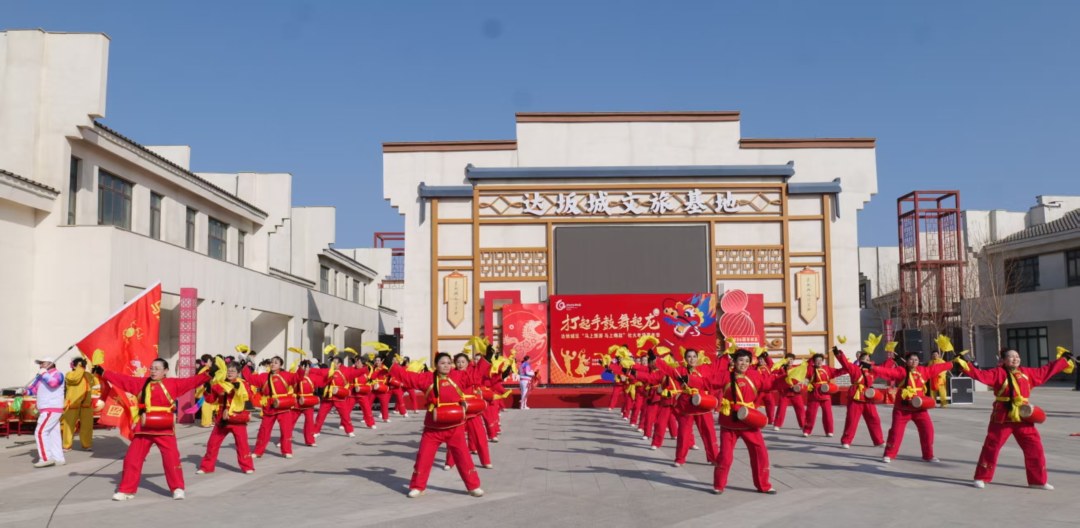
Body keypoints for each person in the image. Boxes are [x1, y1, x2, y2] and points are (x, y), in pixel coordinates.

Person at [958, 348, 1073, 489]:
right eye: (1011, 357)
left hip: (1023, 416)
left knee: (1034, 447)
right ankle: (981, 477)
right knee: (992, 447)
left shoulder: (1027, 373)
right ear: (1003, 360)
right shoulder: (997, 373)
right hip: (1002, 417)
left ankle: (1037, 481)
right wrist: (965, 364)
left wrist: (1063, 360)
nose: (1015, 359)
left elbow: (1045, 370)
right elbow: (980, 375)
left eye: (1017, 356)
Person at [102, 358, 210, 500]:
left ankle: (177, 488)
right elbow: (124, 380)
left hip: (164, 427)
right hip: (144, 427)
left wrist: (208, 375)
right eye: (151, 368)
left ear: (165, 371)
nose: (153, 371)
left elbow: (192, 381)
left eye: (157, 368)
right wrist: (104, 373)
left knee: (171, 458)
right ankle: (126, 490)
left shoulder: (173, 384)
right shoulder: (142, 383)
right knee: (132, 458)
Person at [389, 352, 485, 498]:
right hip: (433, 429)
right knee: (423, 457)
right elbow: (407, 377)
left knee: (463, 457)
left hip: (455, 427)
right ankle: (418, 486)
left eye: (448, 363)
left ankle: (473, 486)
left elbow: (476, 375)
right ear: (436, 365)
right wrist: (391, 365)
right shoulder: (426, 378)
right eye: (442, 363)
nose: (446, 366)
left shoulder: (459, 376)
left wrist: (486, 359)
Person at [708, 349, 778, 495]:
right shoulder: (725, 376)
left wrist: (789, 379)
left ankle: (763, 485)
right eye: (741, 360)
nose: (744, 363)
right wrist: (688, 380)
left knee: (760, 453)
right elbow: (707, 382)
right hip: (729, 422)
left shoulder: (754, 375)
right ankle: (719, 485)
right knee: (725, 456)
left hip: (748, 420)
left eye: (747, 361)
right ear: (734, 361)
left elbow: (771, 382)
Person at [872, 351, 953, 463]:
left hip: (919, 408)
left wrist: (951, 364)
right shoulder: (901, 371)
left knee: (928, 430)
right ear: (906, 361)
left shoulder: (923, 371)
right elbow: (887, 371)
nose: (914, 361)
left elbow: (936, 368)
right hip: (902, 409)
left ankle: (928, 455)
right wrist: (872, 368)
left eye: (916, 360)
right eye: (911, 359)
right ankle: (889, 454)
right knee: (896, 432)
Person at [652, 349, 718, 466]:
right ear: (685, 359)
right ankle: (680, 459)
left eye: (694, 356)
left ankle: (714, 458)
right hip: (686, 404)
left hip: (702, 403)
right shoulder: (680, 370)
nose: (692, 359)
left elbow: (710, 382)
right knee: (683, 433)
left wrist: (691, 380)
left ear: (697, 357)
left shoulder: (704, 369)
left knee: (709, 432)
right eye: (689, 357)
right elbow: (668, 370)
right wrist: (656, 360)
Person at [197, 361, 255, 475]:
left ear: (238, 373)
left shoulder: (243, 384)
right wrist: (208, 389)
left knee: (242, 445)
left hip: (237, 418)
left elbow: (249, 398)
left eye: (233, 371)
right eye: (228, 371)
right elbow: (210, 400)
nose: (230, 373)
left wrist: (238, 389)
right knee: (212, 444)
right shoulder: (220, 384)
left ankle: (247, 466)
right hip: (222, 419)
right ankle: (206, 467)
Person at [242, 356, 300, 459]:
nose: (273, 364)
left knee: (286, 430)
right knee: (264, 430)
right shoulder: (264, 376)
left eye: (276, 362)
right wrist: (245, 366)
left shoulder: (286, 375)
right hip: (269, 406)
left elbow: (297, 378)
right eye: (272, 362)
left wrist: (302, 369)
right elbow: (250, 378)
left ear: (280, 365)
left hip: (283, 405)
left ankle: (287, 451)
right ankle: (258, 451)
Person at [835, 348, 884, 449]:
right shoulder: (854, 368)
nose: (866, 361)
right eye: (864, 359)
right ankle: (846, 441)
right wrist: (839, 354)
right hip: (856, 397)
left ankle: (879, 441)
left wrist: (891, 359)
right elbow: (845, 363)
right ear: (859, 360)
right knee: (852, 420)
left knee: (874, 419)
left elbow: (883, 369)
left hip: (868, 397)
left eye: (868, 359)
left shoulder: (872, 371)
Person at [27, 357, 65, 468]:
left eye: (42, 363)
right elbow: (33, 390)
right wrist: (23, 391)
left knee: (40, 432)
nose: (40, 366)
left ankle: (46, 458)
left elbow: (54, 383)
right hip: (46, 409)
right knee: (53, 434)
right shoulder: (41, 376)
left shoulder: (58, 374)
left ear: (50, 363)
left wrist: (44, 374)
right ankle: (58, 458)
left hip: (51, 408)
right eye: (40, 364)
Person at [309, 356, 357, 437]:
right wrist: (308, 369)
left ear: (339, 364)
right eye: (332, 362)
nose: (333, 363)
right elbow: (318, 371)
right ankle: (316, 431)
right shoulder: (328, 371)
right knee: (321, 414)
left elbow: (349, 380)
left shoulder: (344, 372)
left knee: (345, 415)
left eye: (335, 362)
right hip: (328, 396)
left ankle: (349, 430)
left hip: (339, 397)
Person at [801, 352, 845, 438]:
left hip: (825, 393)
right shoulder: (810, 369)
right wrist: (807, 385)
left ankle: (829, 431)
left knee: (828, 414)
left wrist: (847, 366)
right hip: (814, 394)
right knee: (810, 414)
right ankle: (807, 430)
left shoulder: (827, 368)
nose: (819, 362)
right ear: (814, 361)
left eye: (820, 360)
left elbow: (838, 372)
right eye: (817, 360)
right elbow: (803, 369)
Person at [61, 357, 96, 451]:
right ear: (74, 366)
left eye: (83, 365)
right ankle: (67, 445)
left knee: (87, 426)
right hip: (73, 404)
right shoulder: (69, 374)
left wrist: (94, 370)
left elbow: (93, 382)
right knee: (69, 425)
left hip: (86, 405)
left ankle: (86, 444)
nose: (82, 366)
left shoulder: (87, 375)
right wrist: (80, 368)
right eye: (80, 365)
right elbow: (75, 379)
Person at [772, 353, 806, 431]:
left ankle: (803, 424)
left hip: (795, 393)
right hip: (785, 393)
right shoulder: (781, 369)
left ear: (793, 360)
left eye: (791, 359)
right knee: (781, 409)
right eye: (788, 359)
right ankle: (777, 424)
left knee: (800, 409)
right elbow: (777, 378)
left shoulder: (796, 368)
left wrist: (798, 386)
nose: (790, 361)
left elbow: (800, 378)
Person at [293, 360, 320, 446]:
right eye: (304, 367)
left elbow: (322, 381)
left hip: (309, 402)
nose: (305, 369)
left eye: (307, 367)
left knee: (310, 422)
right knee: (291, 421)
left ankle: (310, 441)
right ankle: (283, 439)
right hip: (298, 401)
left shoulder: (313, 377)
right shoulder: (296, 376)